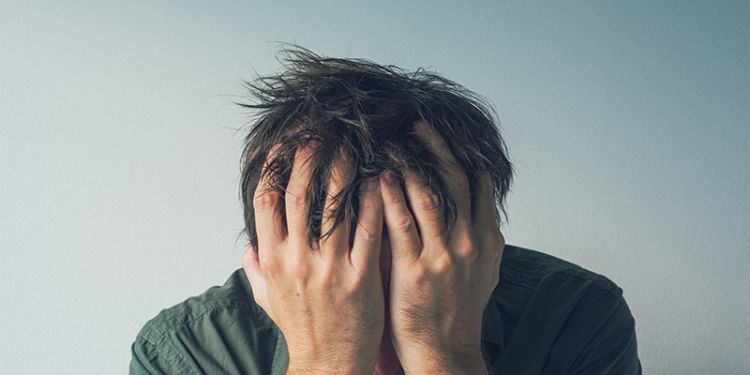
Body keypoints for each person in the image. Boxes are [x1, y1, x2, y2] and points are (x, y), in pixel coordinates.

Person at [129, 47, 642, 375]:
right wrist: (326, 362)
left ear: (479, 254)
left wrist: (441, 352)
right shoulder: (184, 353)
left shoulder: (579, 319)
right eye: (338, 298)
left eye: (417, 287)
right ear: (273, 269)